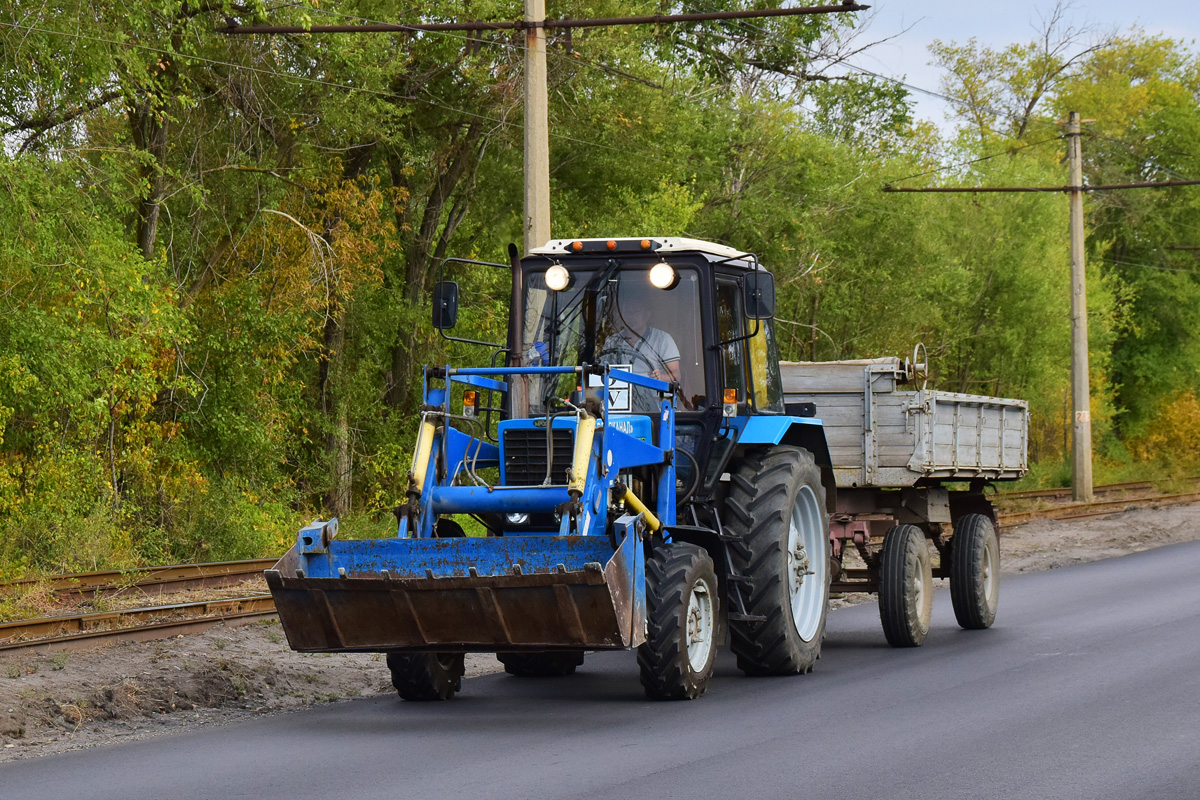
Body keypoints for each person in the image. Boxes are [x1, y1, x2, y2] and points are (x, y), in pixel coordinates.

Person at [599, 297, 681, 413]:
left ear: (647, 315)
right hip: (617, 406)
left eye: (636, 312)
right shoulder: (612, 342)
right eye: (627, 312)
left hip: (655, 408)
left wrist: (660, 378)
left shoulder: (662, 339)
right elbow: (600, 373)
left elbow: (676, 375)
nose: (631, 317)